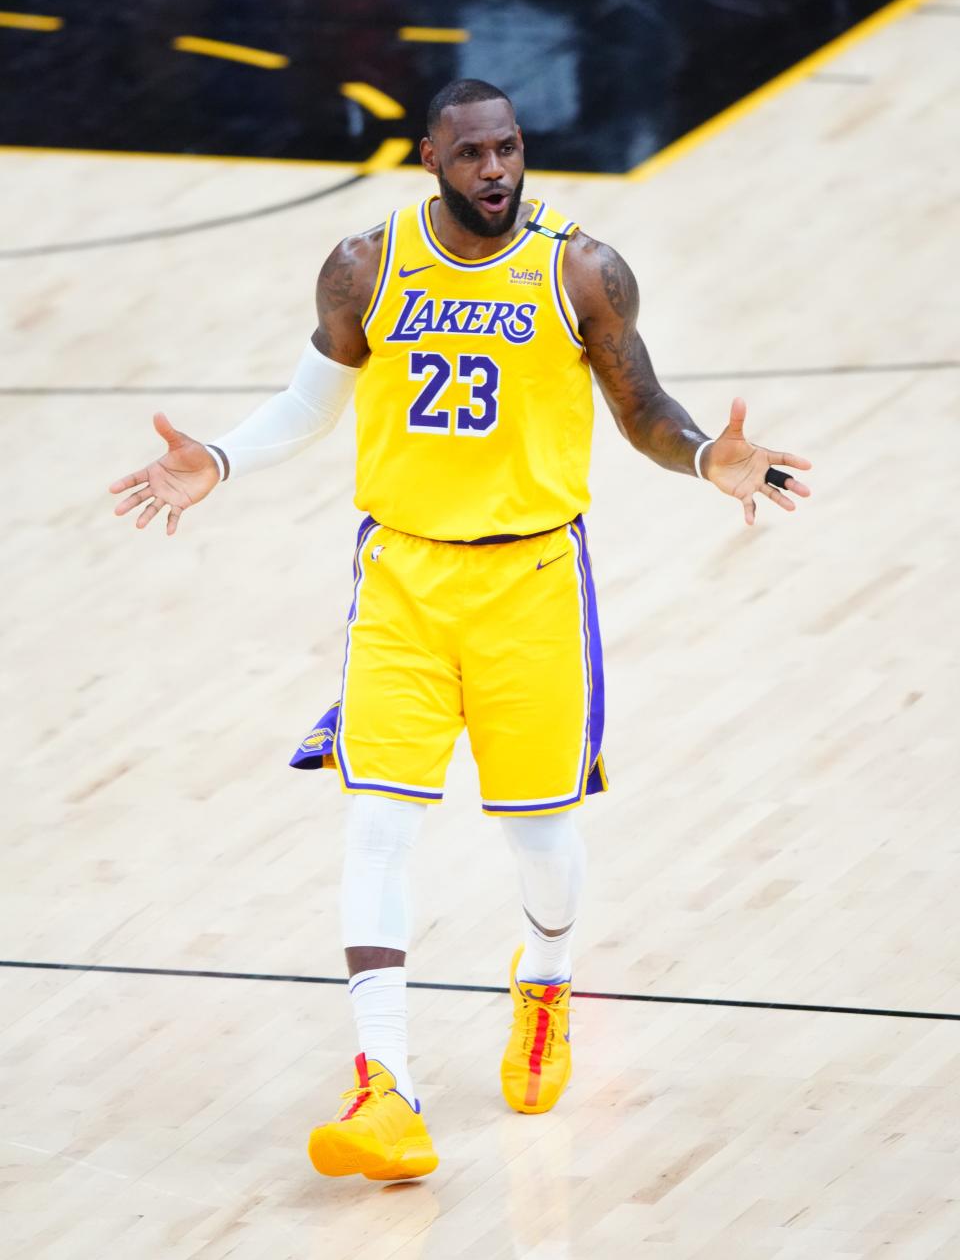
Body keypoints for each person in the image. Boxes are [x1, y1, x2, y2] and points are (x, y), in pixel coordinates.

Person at [109, 78, 811, 1183]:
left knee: (538, 835)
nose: (497, 171)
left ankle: (546, 974)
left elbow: (643, 410)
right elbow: (307, 403)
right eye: (474, 152)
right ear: (429, 154)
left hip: (532, 580)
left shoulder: (580, 269)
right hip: (400, 580)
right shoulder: (364, 264)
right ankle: (384, 1086)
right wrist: (223, 459)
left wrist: (702, 456)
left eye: (511, 150)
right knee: (379, 823)